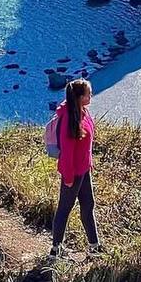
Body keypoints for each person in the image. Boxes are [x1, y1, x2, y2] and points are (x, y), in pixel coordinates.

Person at [50, 77, 103, 258]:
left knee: (88, 205)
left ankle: (94, 247)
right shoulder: (69, 119)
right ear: (80, 97)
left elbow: (84, 146)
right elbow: (67, 152)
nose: (91, 95)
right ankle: (55, 250)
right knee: (65, 208)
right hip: (72, 172)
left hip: (83, 169)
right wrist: (69, 177)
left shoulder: (82, 112)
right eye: (89, 93)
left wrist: (88, 163)